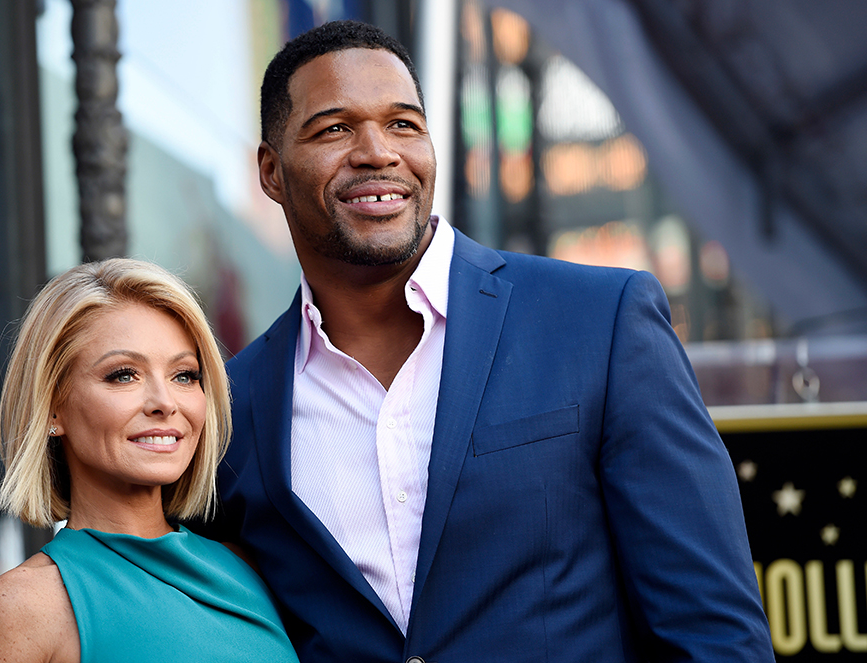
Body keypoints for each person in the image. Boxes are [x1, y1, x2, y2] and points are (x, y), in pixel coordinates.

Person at [200, 19, 776, 663]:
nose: (377, 152)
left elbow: (715, 632)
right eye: (334, 128)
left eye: (403, 124)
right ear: (272, 172)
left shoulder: (599, 321)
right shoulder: (234, 405)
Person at [0, 259, 299, 663]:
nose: (165, 403)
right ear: (52, 408)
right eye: (123, 375)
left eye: (184, 375)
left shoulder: (247, 569)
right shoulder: (22, 608)